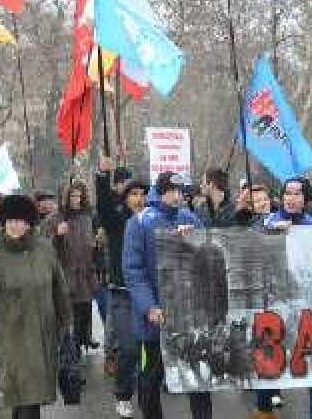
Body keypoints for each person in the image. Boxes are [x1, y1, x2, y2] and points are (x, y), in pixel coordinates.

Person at [0, 194, 71, 419]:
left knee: (30, 399)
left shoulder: (45, 250)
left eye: (20, 220)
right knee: (25, 396)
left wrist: (66, 324)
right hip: (13, 338)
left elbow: (59, 290)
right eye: (10, 220)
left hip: (44, 335)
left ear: (29, 223)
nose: (14, 225)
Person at [123, 171, 212, 419]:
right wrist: (148, 306)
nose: (177, 196)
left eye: (180, 191)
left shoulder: (191, 218)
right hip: (155, 317)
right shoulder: (140, 222)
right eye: (171, 191)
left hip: (190, 314)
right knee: (151, 378)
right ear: (159, 192)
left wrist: (193, 241)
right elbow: (133, 270)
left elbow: (207, 256)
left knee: (199, 377)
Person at [250, 177, 312, 419]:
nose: (292, 198)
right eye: (288, 193)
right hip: (273, 301)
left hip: (305, 301)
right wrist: (272, 235)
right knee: (268, 354)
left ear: (305, 199)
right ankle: (264, 409)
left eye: (297, 194)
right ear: (281, 197)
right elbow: (250, 252)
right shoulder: (265, 222)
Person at [97, 154, 149, 418]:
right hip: (122, 295)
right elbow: (104, 207)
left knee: (149, 349)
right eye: (133, 194)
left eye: (142, 193)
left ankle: (148, 393)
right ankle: (123, 393)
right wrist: (103, 175)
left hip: (149, 296)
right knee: (129, 348)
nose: (139, 198)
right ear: (126, 198)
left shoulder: (153, 221)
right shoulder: (118, 222)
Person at [49, 180, 100, 353]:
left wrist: (96, 245)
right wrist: (57, 234)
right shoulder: (56, 218)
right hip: (66, 273)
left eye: (79, 196)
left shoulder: (88, 217)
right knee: (70, 317)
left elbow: (93, 241)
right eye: (72, 196)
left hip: (85, 272)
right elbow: (46, 247)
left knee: (86, 310)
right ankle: (71, 354)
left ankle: (85, 337)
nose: (76, 199)